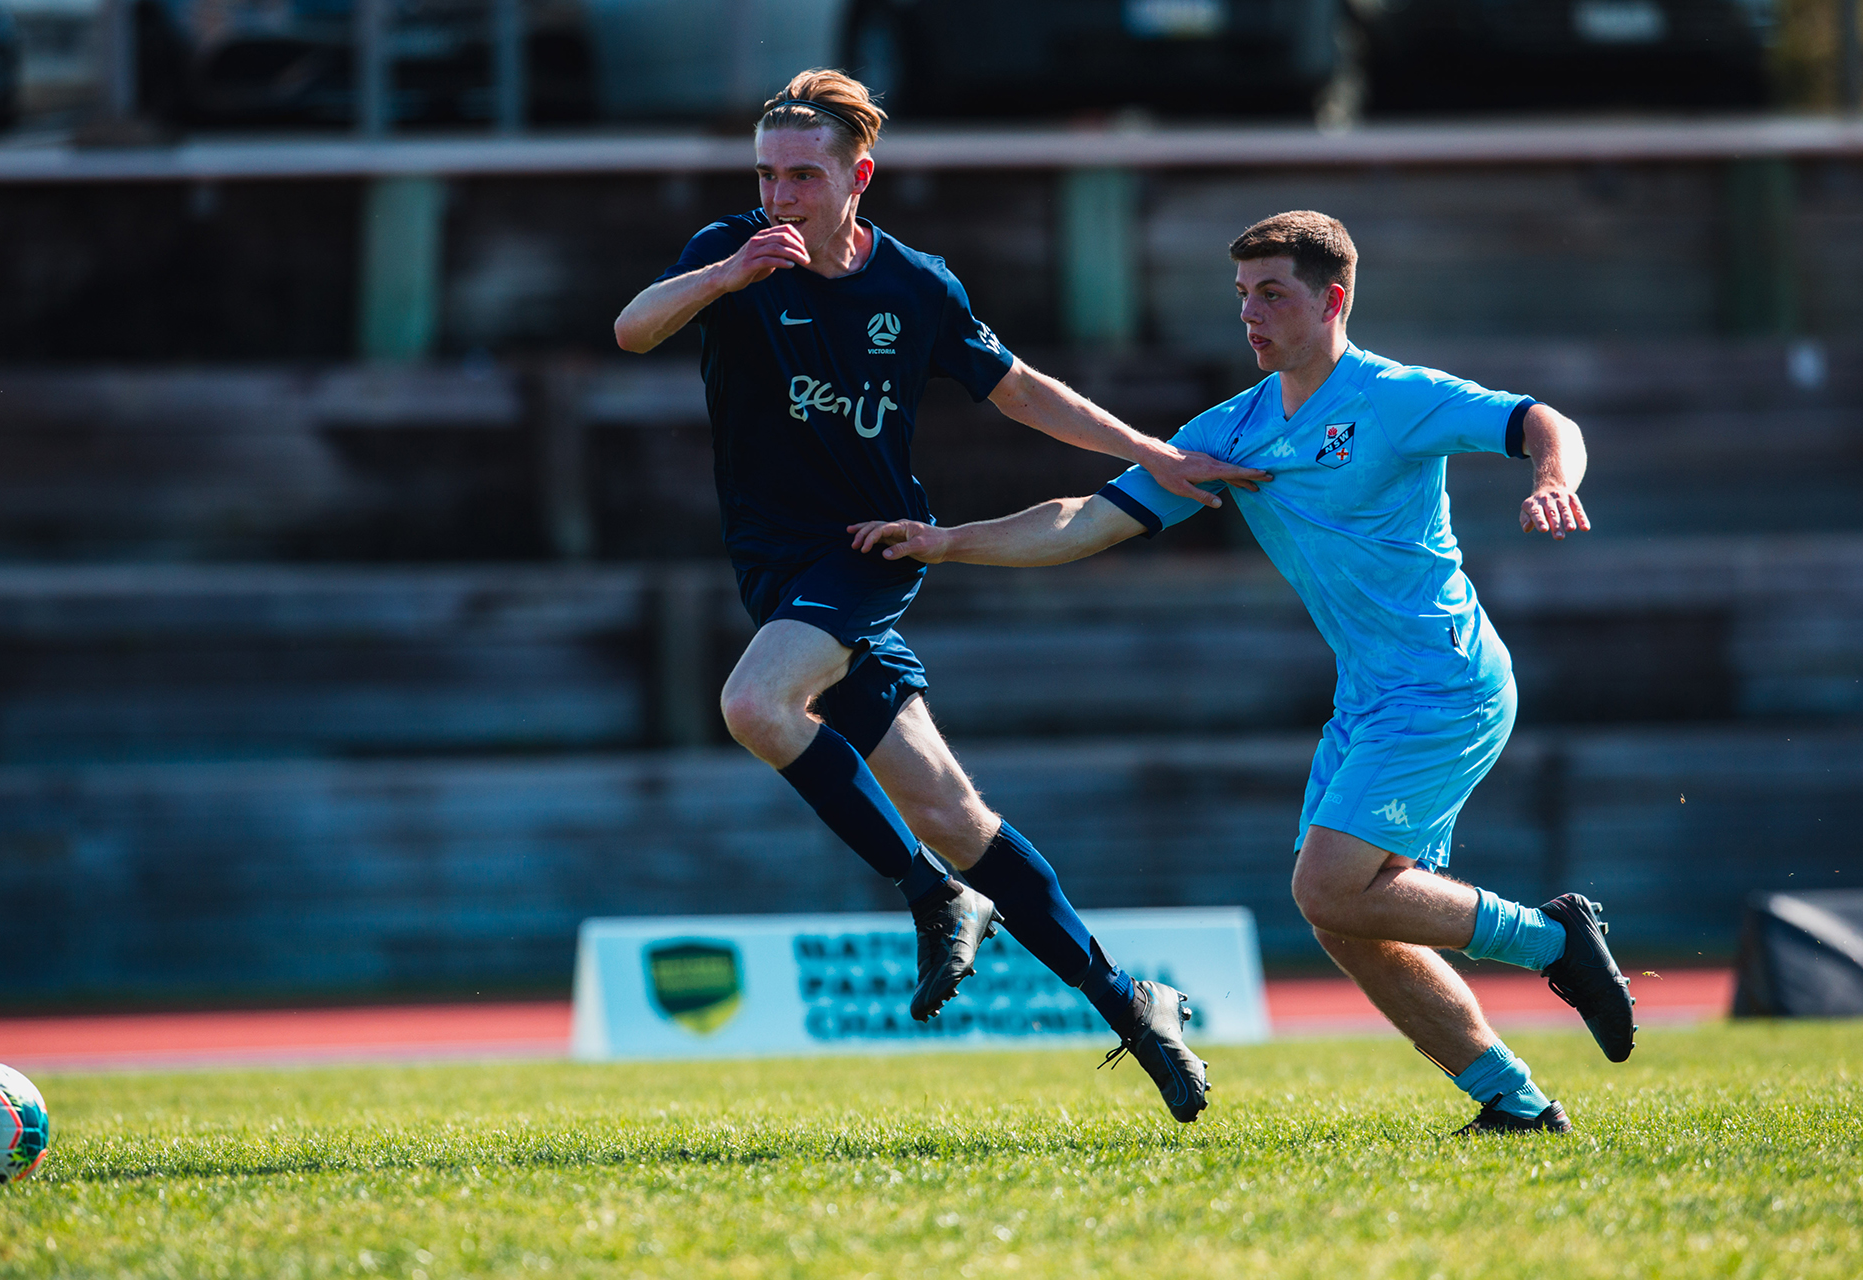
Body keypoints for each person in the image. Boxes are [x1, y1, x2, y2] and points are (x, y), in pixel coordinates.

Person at [852, 210, 1639, 1134]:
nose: (1251, 316)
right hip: (1368, 696)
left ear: (1332, 300)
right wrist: (950, 543)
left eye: (1272, 294)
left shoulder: (1395, 396)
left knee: (1325, 885)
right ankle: (1515, 1104)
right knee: (1348, 920)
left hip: (1446, 683)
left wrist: (1554, 478)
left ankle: (1554, 939)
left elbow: (1542, 420)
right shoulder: (1236, 429)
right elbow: (1086, 518)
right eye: (1241, 298)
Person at [614, 70, 1262, 1122]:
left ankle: (929, 892)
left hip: (871, 553)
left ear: (858, 177)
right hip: (776, 571)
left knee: (754, 706)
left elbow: (1019, 389)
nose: (783, 197)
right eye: (768, 175)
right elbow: (634, 329)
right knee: (955, 811)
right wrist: (725, 275)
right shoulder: (730, 250)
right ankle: (1131, 997)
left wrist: (1151, 449)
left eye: (805, 177)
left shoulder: (914, 285)